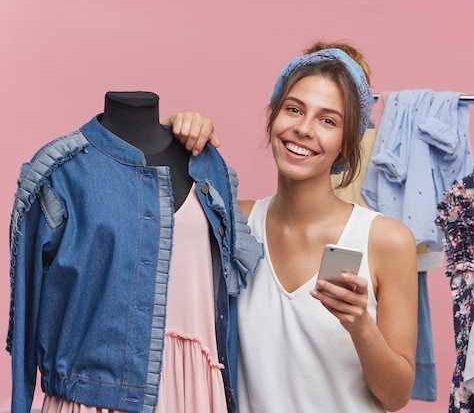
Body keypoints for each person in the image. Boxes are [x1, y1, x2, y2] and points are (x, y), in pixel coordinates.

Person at [169, 41, 418, 412]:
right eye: (294, 109)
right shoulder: (233, 225)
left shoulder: (386, 240)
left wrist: (360, 325)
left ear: (347, 146)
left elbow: (396, 397)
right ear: (272, 118)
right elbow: (154, 224)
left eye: (328, 120)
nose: (303, 129)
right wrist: (173, 138)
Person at [7, 91, 262, 413]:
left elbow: (228, 299)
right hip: (92, 398)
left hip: (198, 390)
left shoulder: (211, 167)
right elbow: (26, 316)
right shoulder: (62, 169)